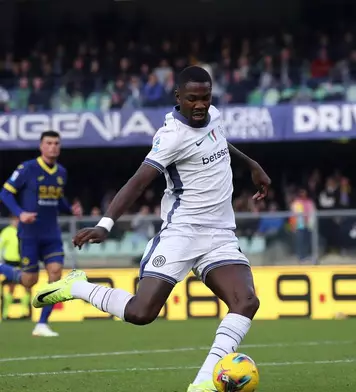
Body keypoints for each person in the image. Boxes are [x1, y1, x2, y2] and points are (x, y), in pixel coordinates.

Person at [31, 65, 271, 392]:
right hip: (180, 235)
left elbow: (220, 141)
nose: (200, 105)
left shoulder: (213, 115)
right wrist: (105, 225)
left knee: (246, 301)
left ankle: (202, 385)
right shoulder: (170, 137)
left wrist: (252, 164)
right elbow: (138, 182)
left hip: (220, 235)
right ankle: (78, 287)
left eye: (205, 97)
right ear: (178, 98)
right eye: (192, 99)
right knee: (141, 313)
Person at [0, 130, 82, 336]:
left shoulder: (61, 172)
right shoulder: (27, 168)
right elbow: (5, 192)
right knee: (29, 280)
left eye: (56, 143)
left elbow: (57, 199)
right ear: (41, 146)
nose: (53, 146)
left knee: (56, 273)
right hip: (29, 234)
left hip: (51, 234)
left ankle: (42, 324)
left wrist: (70, 209)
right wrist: (20, 214)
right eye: (49, 143)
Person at [0, 216, 30, 319]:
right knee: (11, 287)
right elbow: (0, 245)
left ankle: (24, 312)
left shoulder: (24, 230)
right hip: (10, 262)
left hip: (23, 261)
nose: (16, 222)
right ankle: (5, 314)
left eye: (18, 220)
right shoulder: (6, 232)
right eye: (14, 219)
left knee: (27, 285)